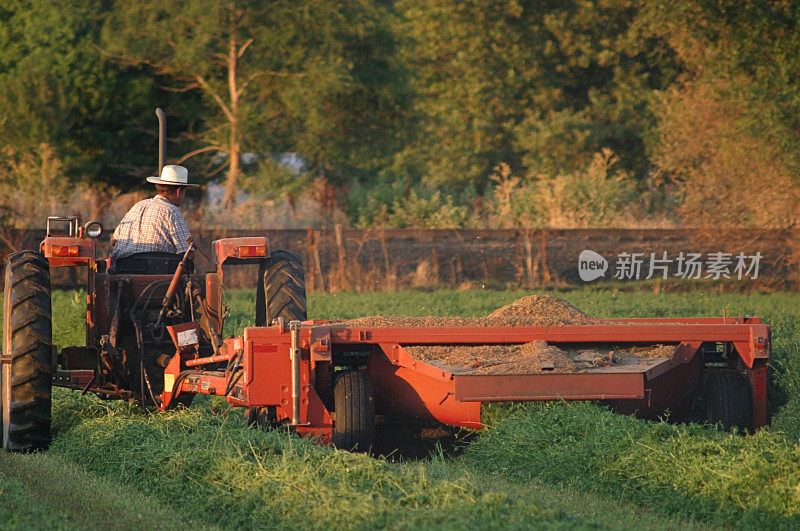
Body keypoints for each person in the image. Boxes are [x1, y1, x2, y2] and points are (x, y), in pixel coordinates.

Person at [110, 164, 200, 274]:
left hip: (123, 269)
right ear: (179, 191)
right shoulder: (171, 211)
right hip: (156, 272)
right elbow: (188, 253)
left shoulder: (137, 206)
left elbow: (113, 241)